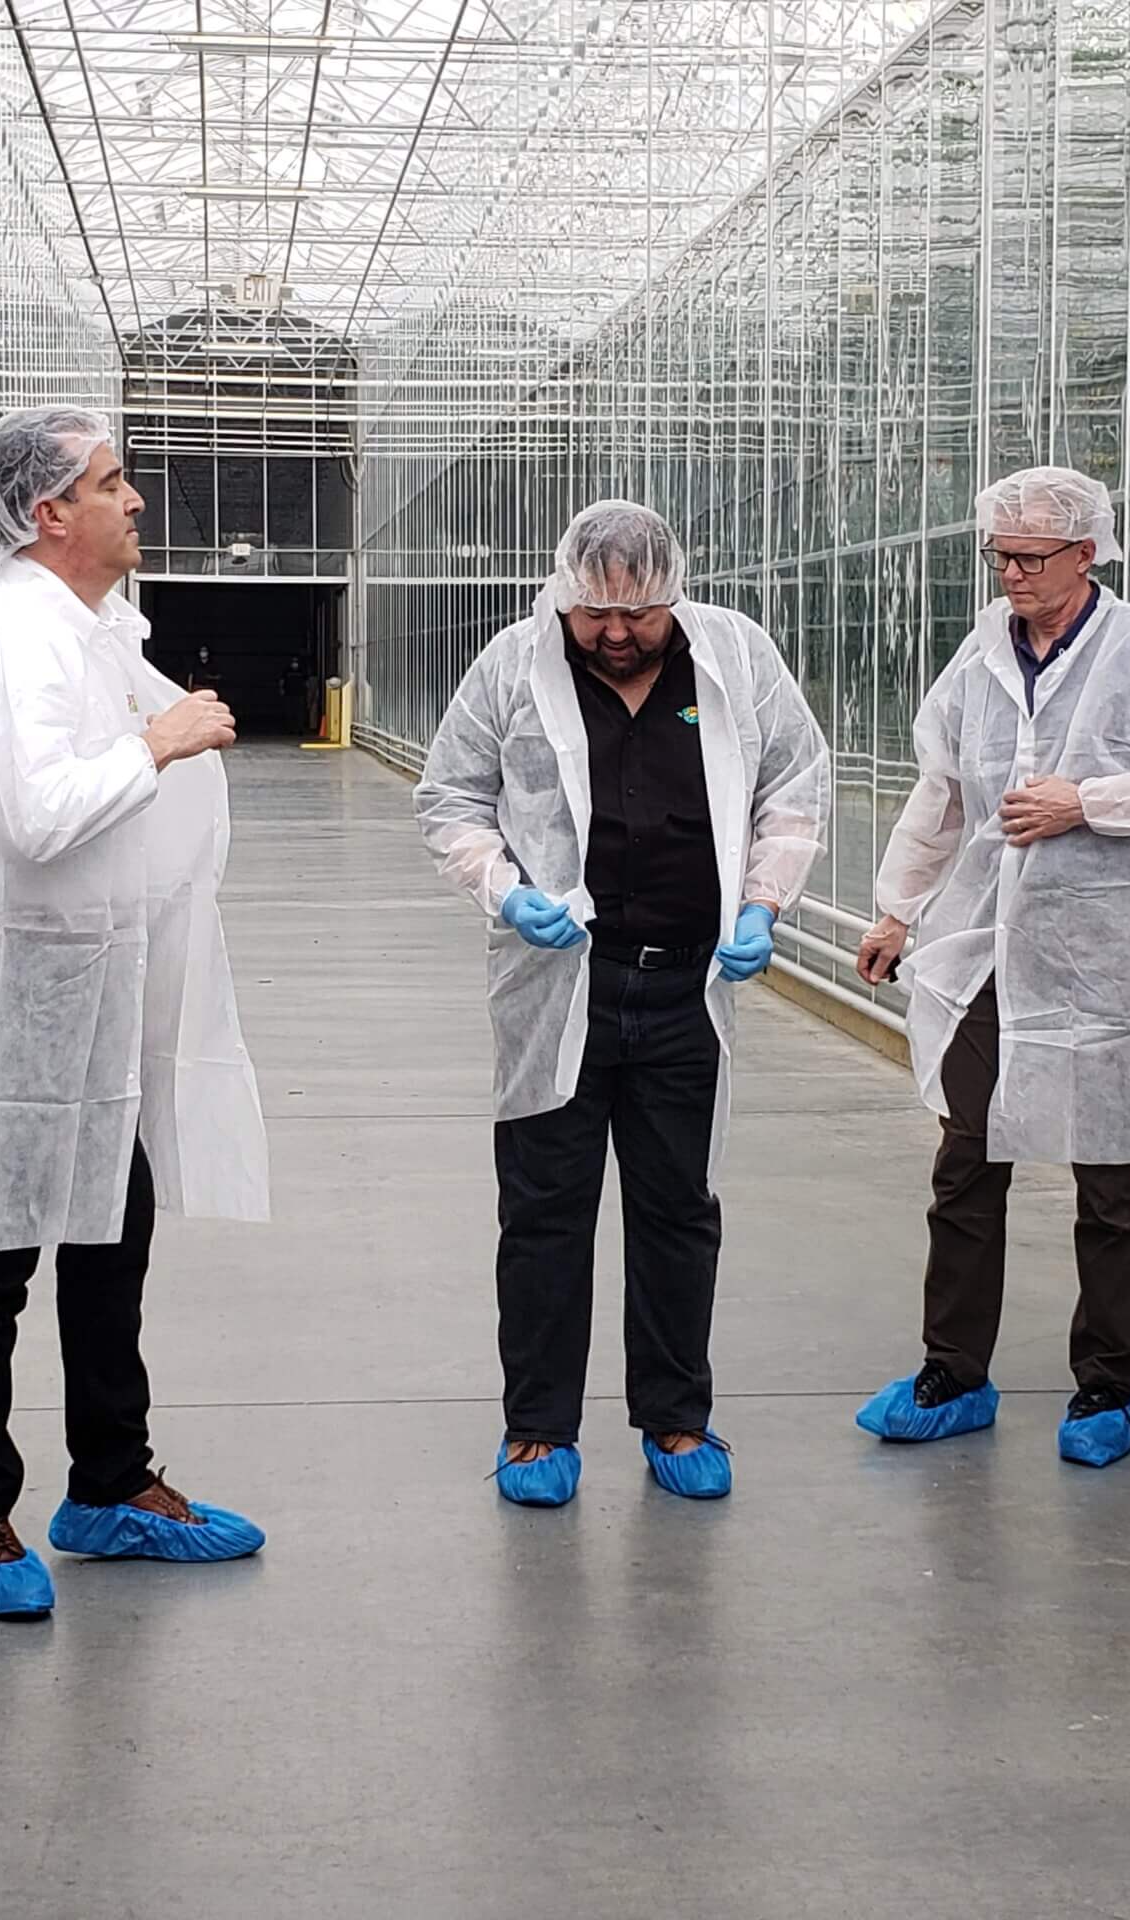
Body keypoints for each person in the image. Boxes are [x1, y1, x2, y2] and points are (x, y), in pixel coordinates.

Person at [0, 406, 272, 1621]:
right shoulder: (8, 639)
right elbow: (39, 815)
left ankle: (106, 1482)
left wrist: (160, 723)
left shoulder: (87, 632)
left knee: (112, 1234)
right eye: (112, 484)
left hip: (87, 994)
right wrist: (163, 737)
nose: (134, 501)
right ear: (48, 514)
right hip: (12, 1002)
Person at [415, 501, 831, 1507]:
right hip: (563, 984)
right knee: (545, 1213)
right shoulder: (514, 664)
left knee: (677, 1209)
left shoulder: (731, 659)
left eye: (636, 614)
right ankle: (537, 1430)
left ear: (672, 595)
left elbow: (794, 784)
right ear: (562, 595)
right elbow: (450, 797)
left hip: (689, 981)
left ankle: (677, 1419)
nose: (612, 632)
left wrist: (765, 903)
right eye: (592, 612)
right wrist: (503, 887)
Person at [852, 467, 1130, 1469]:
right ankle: (952, 1372)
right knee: (965, 1159)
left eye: (1030, 556)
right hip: (986, 946)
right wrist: (898, 908)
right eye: (1000, 555)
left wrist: (1092, 802)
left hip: (1102, 955)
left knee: (1107, 1174)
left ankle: (1106, 1387)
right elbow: (939, 791)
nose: (1012, 573)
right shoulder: (980, 657)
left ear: (1086, 554)